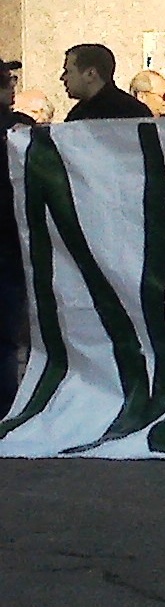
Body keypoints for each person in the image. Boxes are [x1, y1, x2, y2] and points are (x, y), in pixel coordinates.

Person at [1, 58, 31, 409]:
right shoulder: (20, 131)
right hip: (9, 243)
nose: (13, 89)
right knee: (6, 341)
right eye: (7, 81)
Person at [60, 44, 152, 121]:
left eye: (69, 71)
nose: (63, 78)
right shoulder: (136, 110)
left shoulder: (131, 112)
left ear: (90, 74)